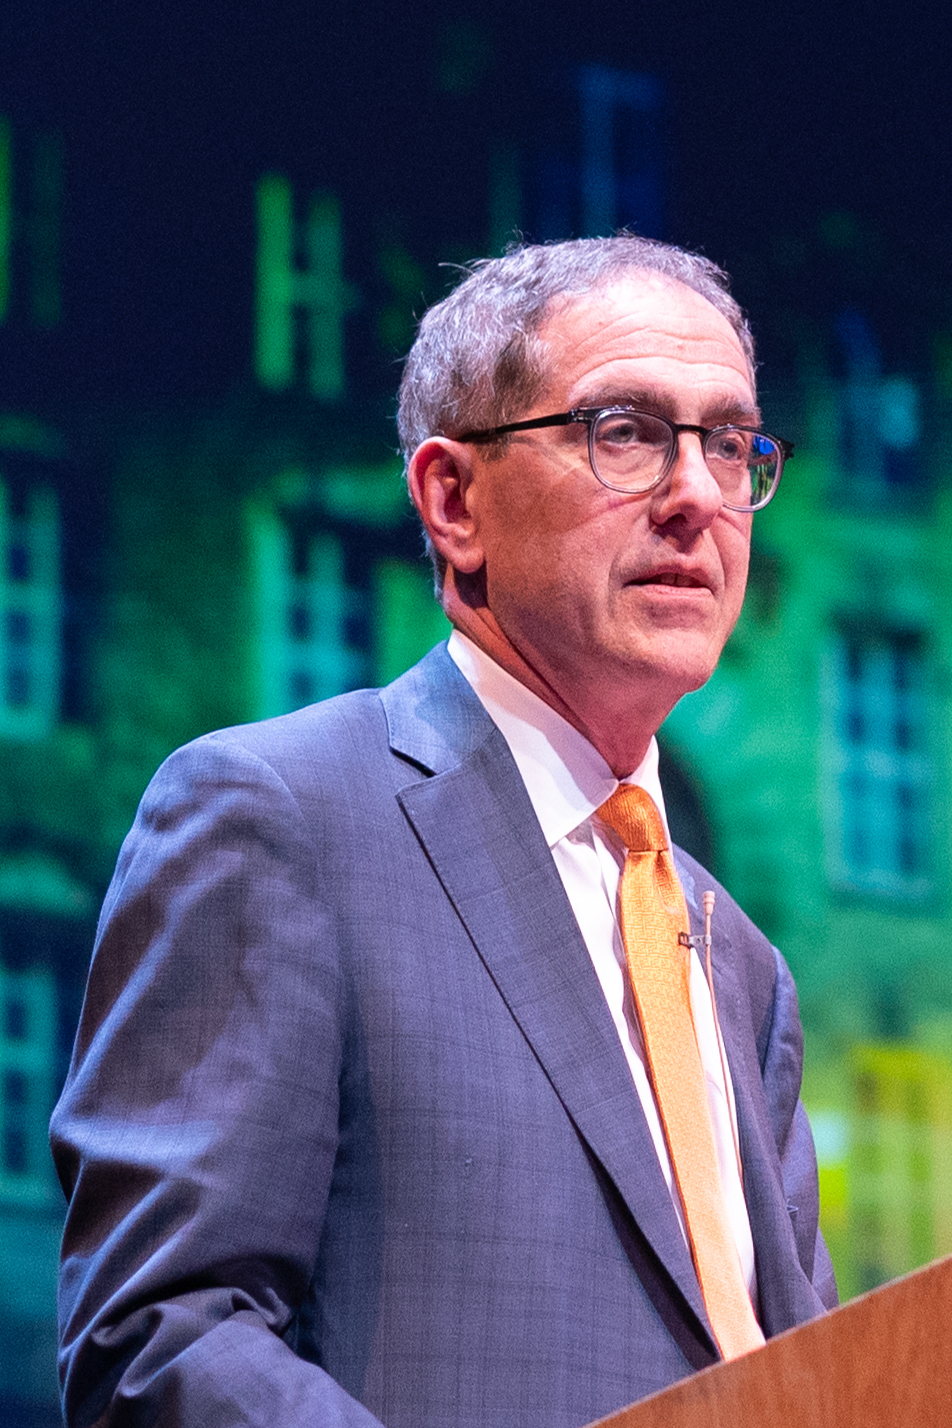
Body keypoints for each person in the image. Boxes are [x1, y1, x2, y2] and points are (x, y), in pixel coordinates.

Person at [51, 235, 836, 1428]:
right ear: (451, 499)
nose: (695, 495)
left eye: (726, 443)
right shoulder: (279, 818)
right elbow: (159, 1339)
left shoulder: (740, 968)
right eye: (624, 432)